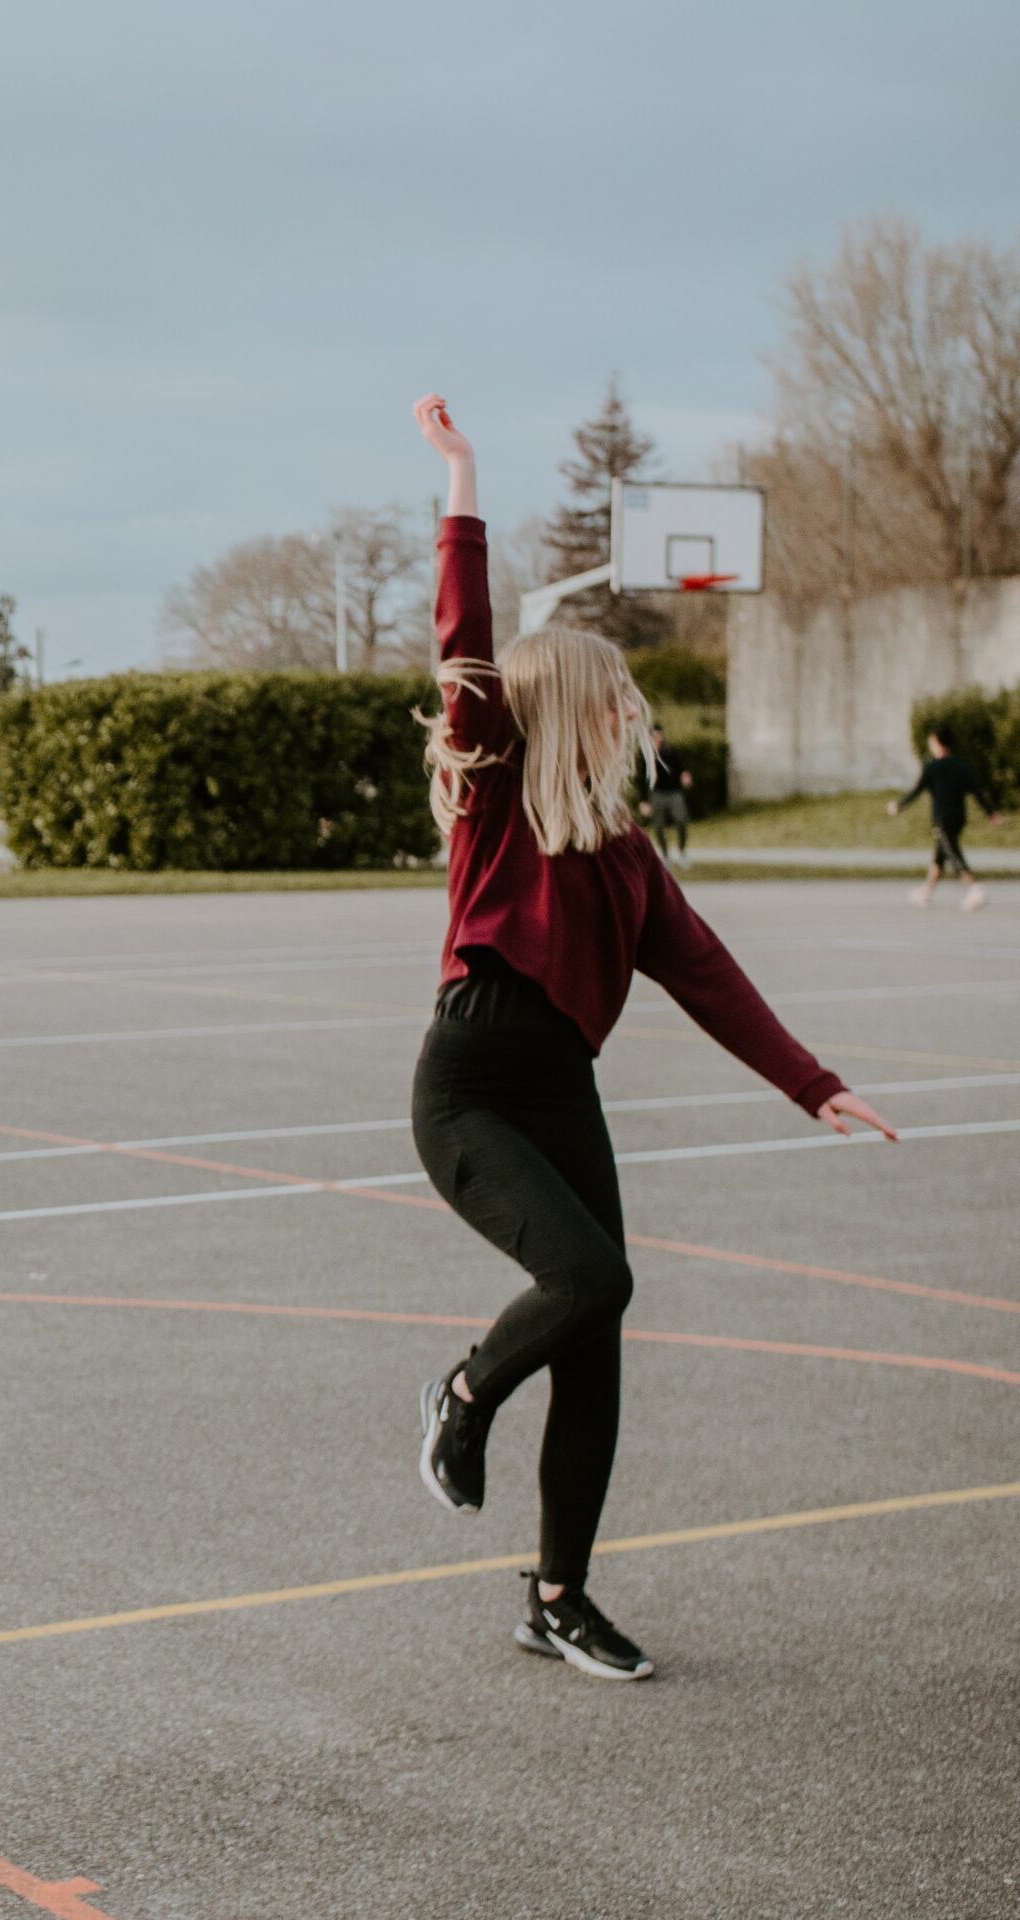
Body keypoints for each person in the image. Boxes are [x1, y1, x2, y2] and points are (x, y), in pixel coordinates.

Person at [407, 395, 896, 1682]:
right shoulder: (495, 796)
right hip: (469, 1090)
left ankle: (556, 1595)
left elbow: (711, 978)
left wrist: (814, 1083)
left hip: (562, 1088)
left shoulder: (626, 860)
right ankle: (460, 1397)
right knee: (592, 1279)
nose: (637, 711)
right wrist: (461, 477)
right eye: (618, 695)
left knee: (598, 1341)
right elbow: (462, 640)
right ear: (571, 707)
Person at [889, 728, 1003, 911]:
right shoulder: (962, 766)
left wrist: (899, 805)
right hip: (959, 817)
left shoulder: (932, 767)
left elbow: (916, 791)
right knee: (939, 856)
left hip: (942, 818)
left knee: (952, 853)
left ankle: (975, 889)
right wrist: (991, 813)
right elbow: (977, 791)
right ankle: (926, 891)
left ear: (937, 743)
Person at [636, 722, 694, 869]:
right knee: (659, 825)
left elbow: (681, 768)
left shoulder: (670, 751)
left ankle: (682, 852)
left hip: (673, 791)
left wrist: (684, 776)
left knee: (681, 820)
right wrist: (643, 801)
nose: (658, 738)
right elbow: (641, 779)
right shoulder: (645, 754)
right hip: (657, 793)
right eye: (654, 736)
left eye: (659, 735)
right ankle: (665, 855)